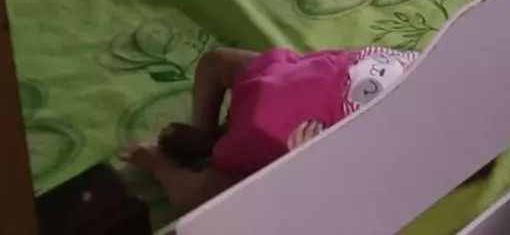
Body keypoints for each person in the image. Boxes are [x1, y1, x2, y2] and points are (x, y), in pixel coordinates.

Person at [121, 45, 419, 212]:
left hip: (280, 133)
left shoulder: (408, 154)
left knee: (199, 199)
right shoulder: (434, 64)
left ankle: (158, 163)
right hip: (288, 77)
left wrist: (313, 161)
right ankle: (204, 134)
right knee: (215, 61)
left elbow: (353, 192)